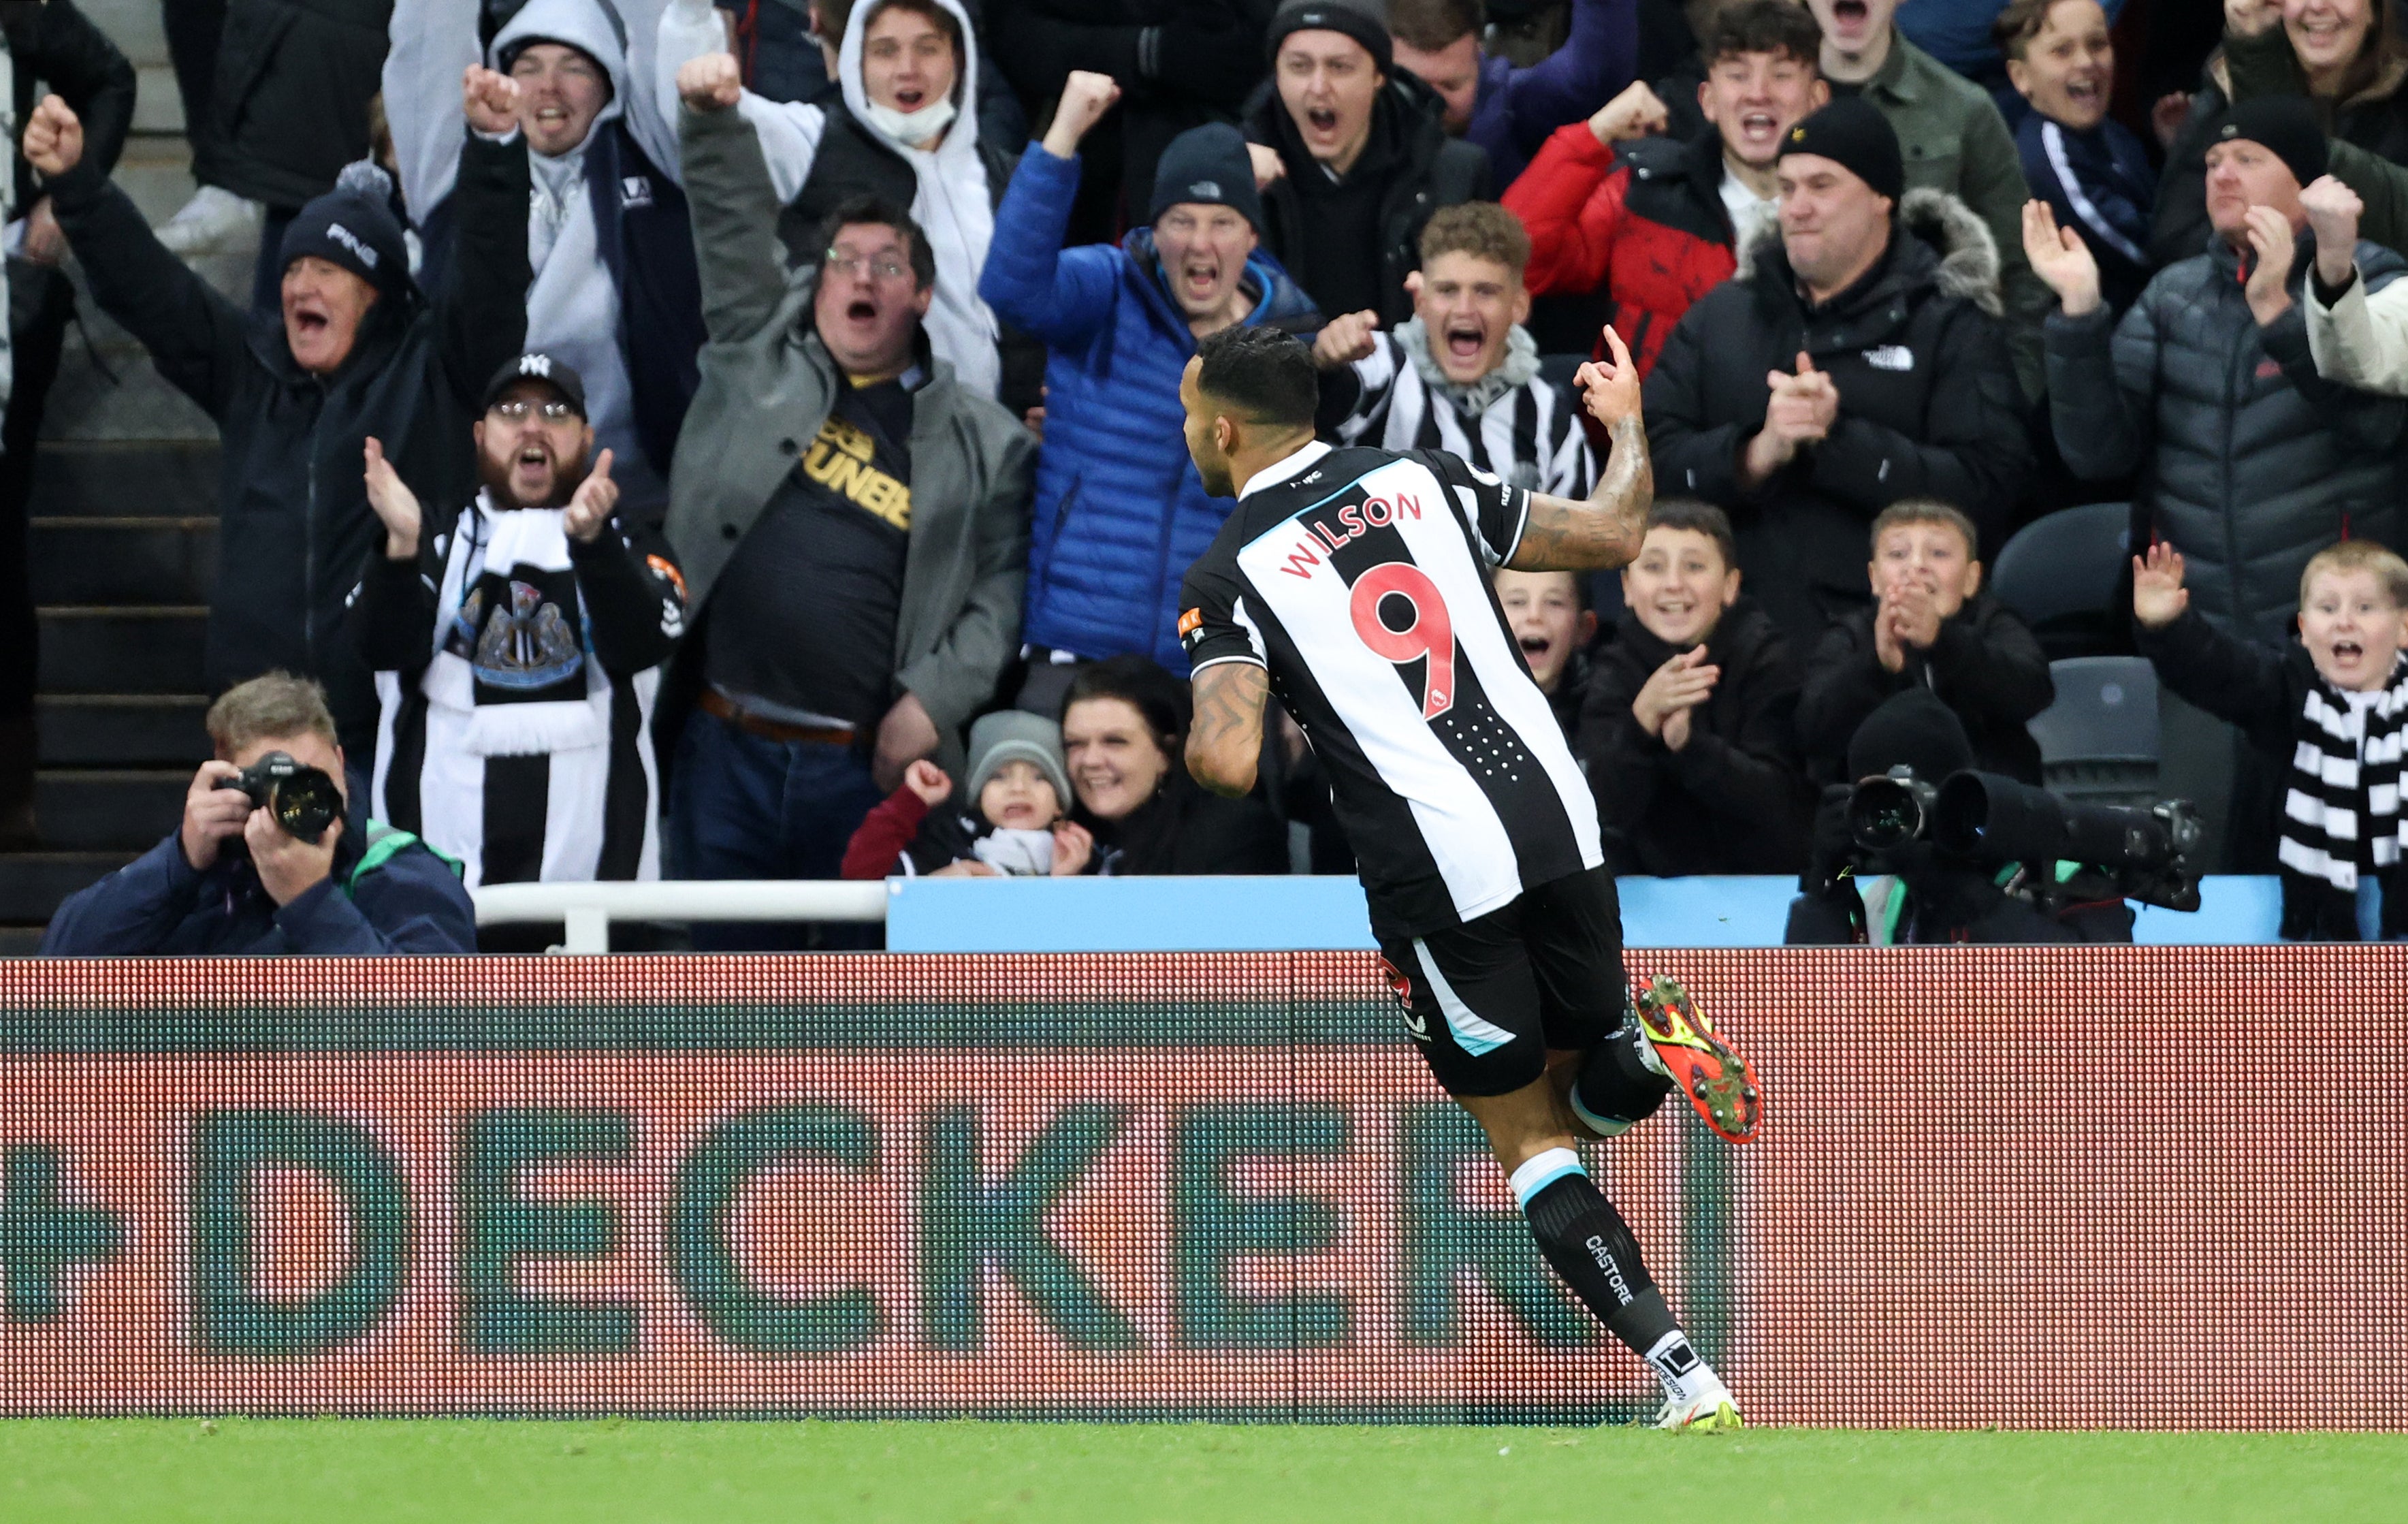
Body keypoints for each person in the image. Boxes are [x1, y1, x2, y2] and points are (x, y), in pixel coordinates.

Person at [1177, 320, 1758, 1429]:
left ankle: (1688, 1379)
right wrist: (1626, 426)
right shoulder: (1417, 476)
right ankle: (1637, 1050)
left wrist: (1232, 685)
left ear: (1220, 427)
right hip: (1558, 825)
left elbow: (1221, 757)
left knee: (1527, 1141)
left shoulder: (1228, 570)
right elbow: (1620, 528)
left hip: (1434, 869)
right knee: (1578, 1094)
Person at [25, 82, 532, 769]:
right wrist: (76, 183)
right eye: (292, 268)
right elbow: (151, 287)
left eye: (327, 269)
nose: (300, 286)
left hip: (396, 729)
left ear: (377, 293)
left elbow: (493, 278)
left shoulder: (437, 374)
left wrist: (496, 153)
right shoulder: (252, 369)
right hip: (258, 734)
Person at [667, 64, 1033, 934]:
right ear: (819, 281)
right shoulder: (755, 352)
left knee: (857, 1018)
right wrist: (712, 121)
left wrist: (932, 701)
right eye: (844, 260)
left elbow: (1001, 594)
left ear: (922, 294)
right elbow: (725, 225)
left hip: (859, 771)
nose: (862, 277)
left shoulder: (989, 442)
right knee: (715, 1010)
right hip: (724, 746)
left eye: (888, 264)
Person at [1643, 98, 2029, 651]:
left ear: (1881, 198)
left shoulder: (1949, 323)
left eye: (1821, 186)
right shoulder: (1722, 314)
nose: (1795, 207)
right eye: (1787, 187)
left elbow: (1988, 489)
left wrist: (1840, 441)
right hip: (1721, 647)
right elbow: (1645, 466)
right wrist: (1754, 455)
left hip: (1879, 650)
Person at [2029, 96, 2407, 651]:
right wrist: (2080, 316)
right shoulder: (2171, 295)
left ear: (2307, 184)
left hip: (2335, 626)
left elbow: (2378, 428)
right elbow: (2098, 455)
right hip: (2197, 628)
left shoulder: (2367, 278)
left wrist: (2279, 316)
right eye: (2211, 162)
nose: (2221, 175)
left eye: (2247, 159)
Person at [980, 82, 1322, 684]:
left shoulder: (1291, 343)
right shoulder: (1108, 289)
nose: (1199, 242)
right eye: (1180, 220)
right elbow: (1011, 286)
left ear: (1252, 238)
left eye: (1222, 222)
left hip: (1210, 667)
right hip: (1071, 645)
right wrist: (1061, 138)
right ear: (1152, 231)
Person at [349, 353, 686, 889]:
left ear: (586, 437)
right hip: (440, 908)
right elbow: (381, 647)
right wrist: (399, 547)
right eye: (512, 410)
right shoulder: (430, 538)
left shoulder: (631, 543)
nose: (533, 425)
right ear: (480, 435)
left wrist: (593, 547)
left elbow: (641, 644)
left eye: (555, 412)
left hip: (595, 906)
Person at [381, 0, 705, 518]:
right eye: (527, 68)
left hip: (633, 498)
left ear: (612, 84)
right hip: (479, 498)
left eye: (575, 67)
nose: (548, 86)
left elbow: (663, 39)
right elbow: (428, 41)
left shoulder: (658, 166)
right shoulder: (456, 169)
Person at [658, 0, 1028, 405]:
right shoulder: (814, 141)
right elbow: (708, 124)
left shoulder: (1002, 174)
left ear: (958, 57)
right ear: (857, 60)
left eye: (928, 48)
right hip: (862, 445)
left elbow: (1030, 317)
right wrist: (691, 25)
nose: (908, 68)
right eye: (885, 50)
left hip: (990, 446)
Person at [37, 672, 476, 956]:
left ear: (341, 765)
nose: (297, 803)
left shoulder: (398, 871)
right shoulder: (206, 872)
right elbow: (58, 969)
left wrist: (311, 899)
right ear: (228, 780)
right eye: (274, 787)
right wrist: (180, 861)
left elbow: (431, 1036)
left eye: (313, 778)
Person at [1503, 0, 1827, 379]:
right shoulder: (1641, 192)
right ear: (1707, 100)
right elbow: (1516, 261)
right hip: (1639, 434)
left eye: (1782, 74)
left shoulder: (1847, 210)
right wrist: (1595, 135)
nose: (1758, 93)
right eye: (1738, 75)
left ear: (1818, 99)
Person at [0, 0, 139, 848]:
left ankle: (11, 783)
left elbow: (114, 78)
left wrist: (65, 202)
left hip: (11, 295)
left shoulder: (24, 14)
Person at [2133, 537, 2408, 941]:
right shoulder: (2284, 688)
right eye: (2327, 608)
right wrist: (2170, 628)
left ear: (2405, 627)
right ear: (2304, 629)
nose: (2344, 621)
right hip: (2294, 921)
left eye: (2365, 608)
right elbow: (2220, 669)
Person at [1802, 0, 2053, 398]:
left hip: (1929, 397)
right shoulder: (1764, 102)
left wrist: (2007, 401)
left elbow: (2025, 269)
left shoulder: (1963, 109)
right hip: (1793, 392)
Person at [1784, 684, 2134, 943]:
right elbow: (1805, 1017)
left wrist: (1953, 888)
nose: (1887, 817)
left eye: (1899, 799)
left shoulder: (2066, 875)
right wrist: (1827, 888)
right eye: (1869, 800)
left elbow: (2096, 1002)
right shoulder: (1887, 900)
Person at [1579, 497, 1810, 873]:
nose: (1674, 584)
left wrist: (1690, 747)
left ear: (1730, 585)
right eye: (1653, 567)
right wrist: (1641, 723)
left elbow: (1778, 803)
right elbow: (1601, 813)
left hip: (1761, 885)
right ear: (1626, 587)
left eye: (1694, 566)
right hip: (1645, 896)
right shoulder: (1613, 668)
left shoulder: (1768, 660)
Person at [1311, 202, 1596, 496]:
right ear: (1421, 302)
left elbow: (1580, 535)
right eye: (1448, 290)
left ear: (1518, 306)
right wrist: (1323, 363)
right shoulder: (1379, 360)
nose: (1464, 309)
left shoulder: (1552, 423)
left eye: (1485, 291)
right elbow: (1320, 408)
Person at [1242, 0, 1492, 328]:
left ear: (1379, 75)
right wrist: (1237, 189)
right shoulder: (1237, 175)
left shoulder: (1451, 172)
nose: (1319, 87)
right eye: (1300, 67)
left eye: (1340, 67)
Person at [1794, 498, 2052, 786]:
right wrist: (1876, 666)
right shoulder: (1850, 633)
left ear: (1971, 578)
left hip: (1984, 801)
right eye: (1898, 554)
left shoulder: (1991, 621)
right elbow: (1811, 730)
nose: (1916, 566)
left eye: (1939, 553)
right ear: (1874, 578)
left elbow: (2034, 690)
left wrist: (1942, 641)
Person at [982, 0, 1275, 244]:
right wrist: (1143, 51)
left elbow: (1249, 47)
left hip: (1211, 146)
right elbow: (1016, 37)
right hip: (1082, 157)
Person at [2155, 0, 2408, 271]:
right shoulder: (2225, 92)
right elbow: (2173, 241)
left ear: (2376, 10)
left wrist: (2257, 65)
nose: (2317, 6)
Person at [1996, 0, 2156, 315]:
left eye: (2098, 44)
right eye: (2062, 51)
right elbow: (2145, 254)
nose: (2086, 62)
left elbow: (2156, 209)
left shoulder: (2113, 132)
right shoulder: (2048, 159)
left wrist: (2176, 145)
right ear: (2021, 77)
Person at [1060, 654, 1287, 874]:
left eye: (1115, 742)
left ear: (1167, 754)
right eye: (1075, 744)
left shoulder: (1235, 834)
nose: (1090, 760)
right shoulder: (1058, 839)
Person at [1387, 0, 1639, 185]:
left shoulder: (1513, 105)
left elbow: (1596, 71)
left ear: (1479, 57)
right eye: (1413, 86)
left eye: (1452, 86)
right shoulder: (1357, 122)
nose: (1434, 103)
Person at [842, 708, 1095, 875]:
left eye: (1040, 778)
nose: (1018, 788)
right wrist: (910, 802)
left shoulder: (1087, 861)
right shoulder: (946, 847)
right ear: (979, 796)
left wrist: (1065, 888)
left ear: (1060, 803)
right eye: (998, 777)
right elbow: (861, 874)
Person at [1496, 566, 1599, 737]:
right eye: (1517, 602)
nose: (1534, 616)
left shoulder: (1606, 715)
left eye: (1554, 602)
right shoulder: (1458, 709)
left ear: (1584, 628)